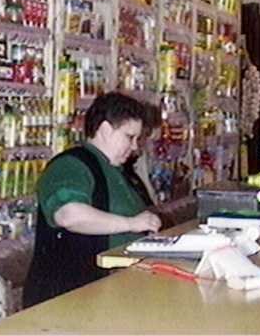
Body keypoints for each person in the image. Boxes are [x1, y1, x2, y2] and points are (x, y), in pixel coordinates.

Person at [22, 92, 162, 308]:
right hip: (69, 300)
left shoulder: (121, 172)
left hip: (113, 293)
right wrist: (131, 224)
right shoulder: (70, 165)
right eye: (129, 137)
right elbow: (69, 215)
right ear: (105, 130)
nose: (135, 146)